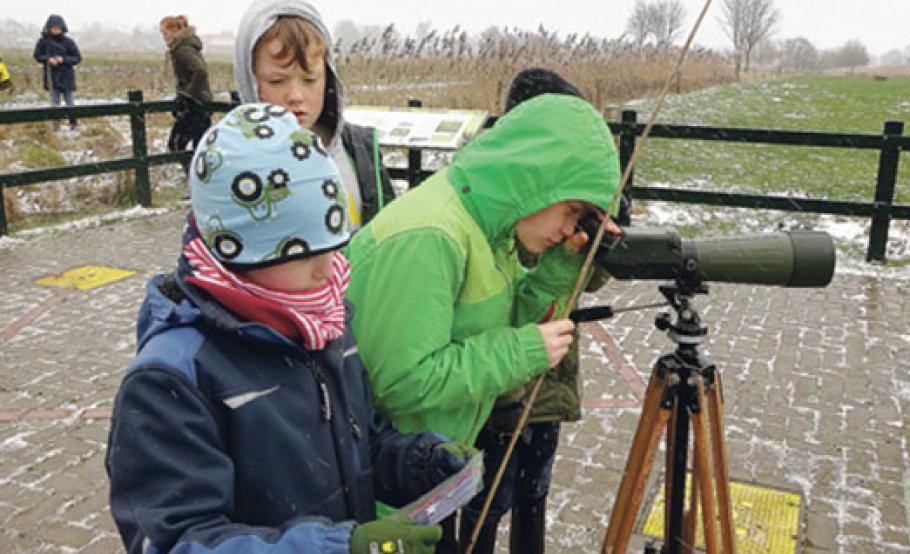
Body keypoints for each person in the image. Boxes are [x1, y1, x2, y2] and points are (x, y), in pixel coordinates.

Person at [105, 103, 476, 554]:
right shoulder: (172, 378)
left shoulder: (323, 323)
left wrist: (419, 464)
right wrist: (336, 549)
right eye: (305, 252)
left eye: (333, 244)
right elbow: (175, 541)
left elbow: (363, 444)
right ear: (241, 252)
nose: (330, 269)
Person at [345, 93, 621, 552]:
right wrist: (522, 352)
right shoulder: (431, 237)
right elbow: (399, 380)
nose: (569, 227)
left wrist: (560, 269)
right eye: (572, 211)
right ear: (538, 179)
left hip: (428, 470)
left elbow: (500, 321)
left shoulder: (491, 227)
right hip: (383, 488)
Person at [459, 68, 614, 554]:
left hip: (547, 385)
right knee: (483, 502)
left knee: (533, 494)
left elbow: (594, 279)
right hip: (497, 392)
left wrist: (590, 237)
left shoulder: (574, 196)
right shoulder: (492, 192)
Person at [234, 0, 395, 231]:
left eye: (310, 79)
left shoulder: (360, 149)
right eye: (277, 81)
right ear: (248, 80)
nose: (296, 96)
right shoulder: (230, 163)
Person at [159, 15, 213, 174]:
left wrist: (187, 95)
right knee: (199, 146)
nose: (164, 37)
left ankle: (193, 181)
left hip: (194, 105)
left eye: (165, 32)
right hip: (201, 102)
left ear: (175, 30)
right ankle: (199, 183)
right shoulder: (187, 46)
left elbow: (200, 71)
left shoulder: (182, 49)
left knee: (176, 144)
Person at [32, 14, 81, 129]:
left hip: (66, 76)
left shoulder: (69, 42)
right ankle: (56, 125)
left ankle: (73, 124)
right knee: (55, 102)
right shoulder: (43, 42)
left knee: (70, 102)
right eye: (53, 28)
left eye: (58, 28)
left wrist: (63, 60)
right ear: (48, 28)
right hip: (51, 76)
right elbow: (37, 55)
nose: (56, 30)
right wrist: (48, 60)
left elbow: (77, 57)